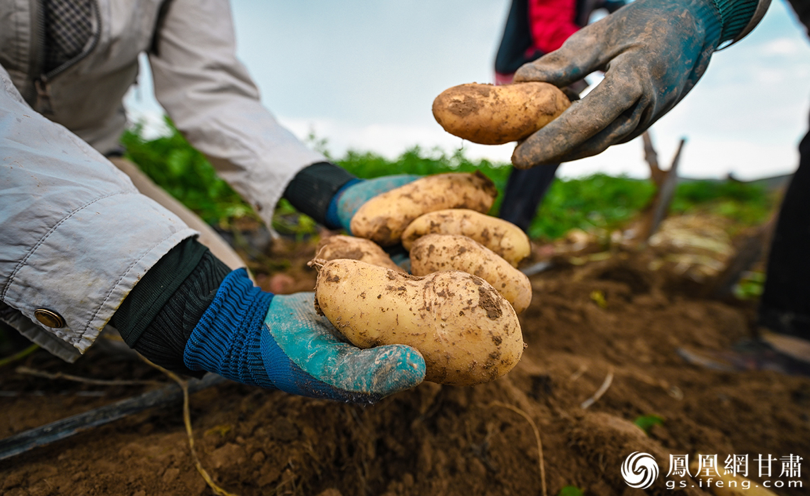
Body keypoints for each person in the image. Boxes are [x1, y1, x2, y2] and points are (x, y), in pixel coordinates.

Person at [0, 0, 492, 403]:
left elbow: (208, 89)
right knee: (165, 305)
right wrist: (169, 295)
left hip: (96, 155)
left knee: (228, 282)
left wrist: (324, 188)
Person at [509, 0, 810, 374]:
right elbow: (552, 24)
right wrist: (704, 9)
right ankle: (794, 332)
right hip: (540, 65)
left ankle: (791, 333)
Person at [495, 0, 623, 233]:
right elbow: (552, 34)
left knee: (537, 156)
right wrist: (610, 51)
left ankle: (509, 230)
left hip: (549, 70)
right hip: (530, 71)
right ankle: (511, 232)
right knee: (544, 152)